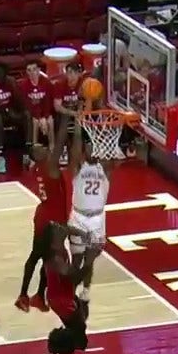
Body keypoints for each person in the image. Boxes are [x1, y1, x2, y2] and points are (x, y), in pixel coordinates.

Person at [17, 138, 71, 312]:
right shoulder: (49, 167)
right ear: (36, 156)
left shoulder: (40, 168)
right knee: (37, 256)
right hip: (48, 221)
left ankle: (39, 296)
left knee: (48, 259)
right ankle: (23, 295)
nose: (45, 148)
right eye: (40, 148)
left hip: (49, 217)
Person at [68, 128, 114, 308]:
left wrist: (104, 129)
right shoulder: (78, 167)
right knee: (77, 259)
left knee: (89, 259)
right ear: (84, 150)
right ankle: (70, 290)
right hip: (78, 217)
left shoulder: (105, 169)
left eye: (95, 146)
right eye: (89, 146)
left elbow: (109, 155)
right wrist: (79, 128)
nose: (92, 150)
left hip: (97, 219)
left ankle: (86, 291)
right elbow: (74, 152)